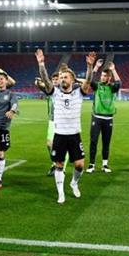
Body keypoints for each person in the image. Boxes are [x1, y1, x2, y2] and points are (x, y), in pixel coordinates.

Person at [36, 49, 92, 203]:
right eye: (60, 77)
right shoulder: (54, 93)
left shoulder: (79, 93)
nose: (62, 79)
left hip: (74, 134)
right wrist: (41, 64)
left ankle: (74, 183)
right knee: (59, 164)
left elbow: (88, 81)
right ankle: (61, 193)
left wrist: (89, 67)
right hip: (59, 134)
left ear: (72, 79)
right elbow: (46, 80)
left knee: (80, 165)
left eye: (65, 77)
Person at [87, 58, 121, 173]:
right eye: (102, 75)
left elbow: (119, 83)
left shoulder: (112, 88)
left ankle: (105, 165)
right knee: (93, 141)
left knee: (106, 142)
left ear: (109, 77)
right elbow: (90, 79)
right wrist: (96, 66)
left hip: (108, 118)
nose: (103, 77)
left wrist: (114, 70)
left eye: (105, 76)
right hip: (96, 117)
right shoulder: (97, 86)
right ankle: (91, 164)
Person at [35, 72, 61, 176]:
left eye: (56, 79)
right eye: (53, 79)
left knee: (62, 146)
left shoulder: (63, 90)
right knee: (49, 144)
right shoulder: (50, 90)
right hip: (52, 121)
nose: (55, 81)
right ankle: (55, 163)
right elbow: (42, 86)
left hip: (63, 121)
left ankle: (60, 167)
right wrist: (38, 82)